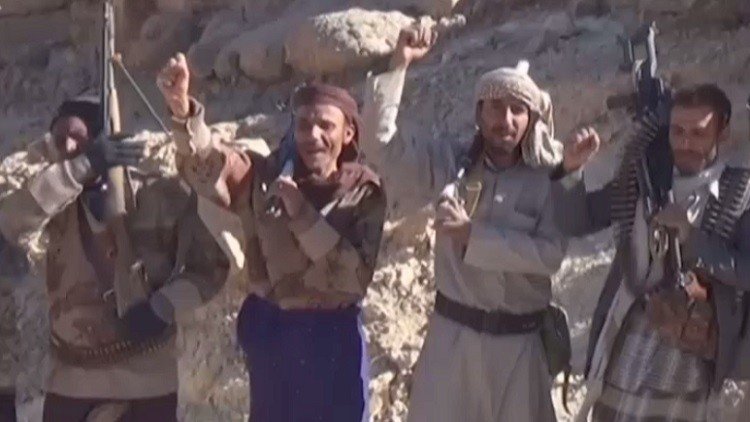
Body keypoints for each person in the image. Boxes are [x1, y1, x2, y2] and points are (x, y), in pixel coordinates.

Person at [157, 51, 388, 421]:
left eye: (326, 126)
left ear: (347, 134)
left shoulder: (362, 192)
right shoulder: (265, 177)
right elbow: (211, 164)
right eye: (304, 125)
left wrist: (301, 213)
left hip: (333, 340)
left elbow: (351, 276)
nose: (313, 136)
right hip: (276, 337)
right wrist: (183, 112)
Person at [358, 25, 566, 421]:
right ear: (478, 113)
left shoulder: (550, 178)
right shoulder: (451, 163)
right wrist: (398, 66)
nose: (505, 119)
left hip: (519, 350)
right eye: (495, 107)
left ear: (532, 118)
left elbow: (550, 255)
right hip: (452, 343)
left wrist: (474, 237)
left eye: (517, 109)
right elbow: (380, 146)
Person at [0, 97, 229, 422]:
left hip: (148, 382)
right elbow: (12, 222)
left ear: (102, 137)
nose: (68, 146)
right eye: (59, 138)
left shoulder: (157, 193)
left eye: (77, 137)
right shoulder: (51, 197)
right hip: (72, 380)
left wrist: (164, 305)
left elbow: (209, 266)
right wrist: (82, 167)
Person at [555, 84, 750, 421]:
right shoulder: (646, 182)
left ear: (723, 133)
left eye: (698, 133)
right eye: (678, 131)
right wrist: (571, 170)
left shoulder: (741, 193)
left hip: (689, 360)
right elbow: (578, 220)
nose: (685, 143)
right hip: (626, 349)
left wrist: (692, 238)